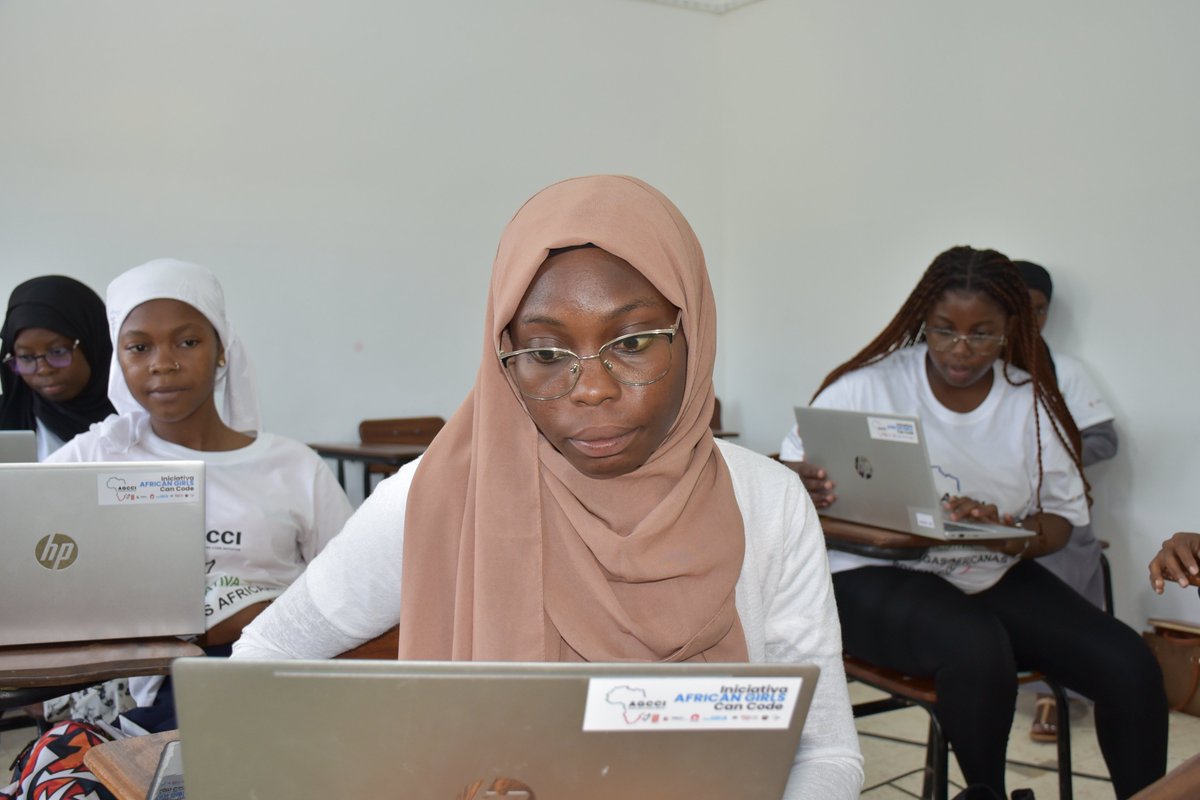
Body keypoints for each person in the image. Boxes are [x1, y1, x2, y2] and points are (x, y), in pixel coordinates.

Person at [233, 175, 864, 797]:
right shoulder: (435, 501)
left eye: (635, 342)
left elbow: (826, 753)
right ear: (504, 355)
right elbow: (264, 658)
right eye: (545, 354)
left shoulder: (768, 504)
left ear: (692, 332)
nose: (593, 388)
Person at [779, 246, 1166, 799]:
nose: (960, 351)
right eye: (943, 331)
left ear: (1013, 328)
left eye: (981, 334)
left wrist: (1008, 530)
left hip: (985, 567)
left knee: (1128, 663)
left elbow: (1059, 523)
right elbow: (791, 478)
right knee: (976, 645)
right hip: (866, 571)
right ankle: (988, 794)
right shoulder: (868, 386)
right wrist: (799, 478)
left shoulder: (1030, 401)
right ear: (922, 323)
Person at [47, 258, 353, 730]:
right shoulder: (96, 457)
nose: (163, 363)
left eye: (188, 341)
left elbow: (350, 585)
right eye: (139, 347)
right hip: (168, 682)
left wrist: (260, 619)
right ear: (119, 358)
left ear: (222, 350)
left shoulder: (294, 466)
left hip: (285, 669)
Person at [1015, 259, 1118, 742]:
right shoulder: (971, 371)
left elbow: (1104, 441)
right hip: (985, 506)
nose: (1030, 319)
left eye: (1039, 310)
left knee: (1067, 544)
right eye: (1020, 307)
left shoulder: (1065, 370)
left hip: (1049, 504)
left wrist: (1050, 458)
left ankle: (1056, 691)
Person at [1, 276, 116, 459]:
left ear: (93, 344)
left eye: (58, 351)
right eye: (26, 357)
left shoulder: (143, 420)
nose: (44, 369)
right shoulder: (7, 419)